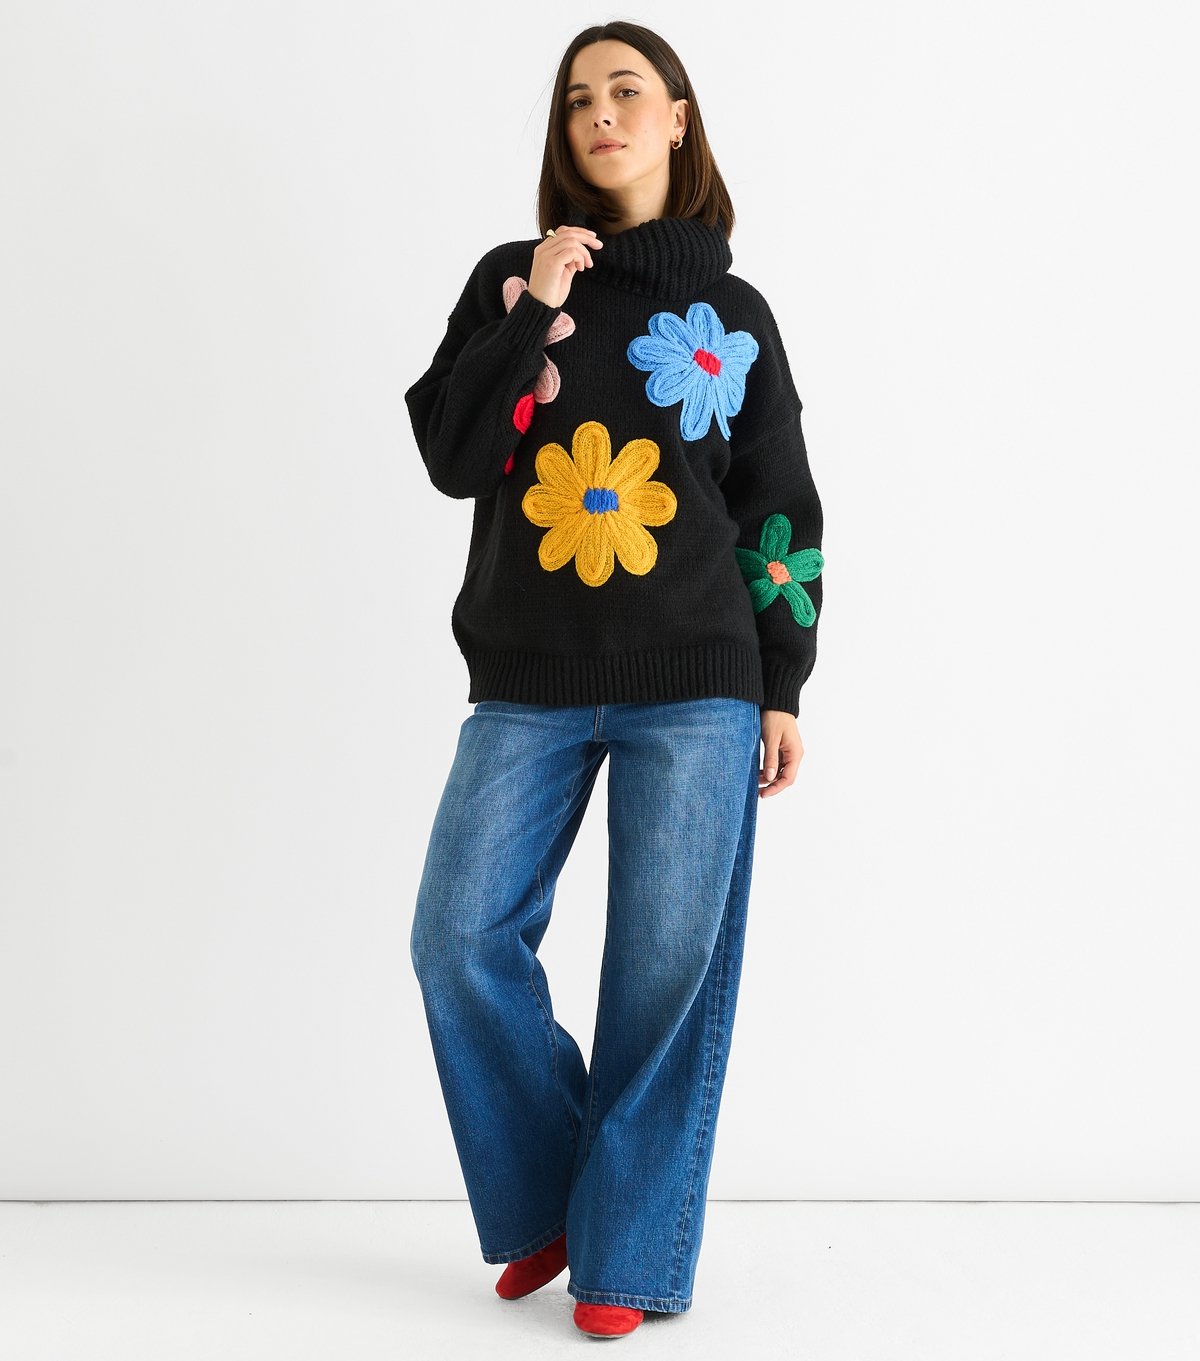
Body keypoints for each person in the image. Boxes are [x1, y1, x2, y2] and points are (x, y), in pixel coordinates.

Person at [403, 20, 825, 1341]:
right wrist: (537, 304)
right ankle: (547, 1208)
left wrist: (784, 684)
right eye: (579, 96)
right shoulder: (509, 283)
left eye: (628, 91)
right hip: (526, 678)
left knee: (663, 978)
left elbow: (777, 509)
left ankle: (625, 1259)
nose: (601, 113)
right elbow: (453, 455)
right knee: (457, 938)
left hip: (699, 684)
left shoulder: (733, 318)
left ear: (678, 119)